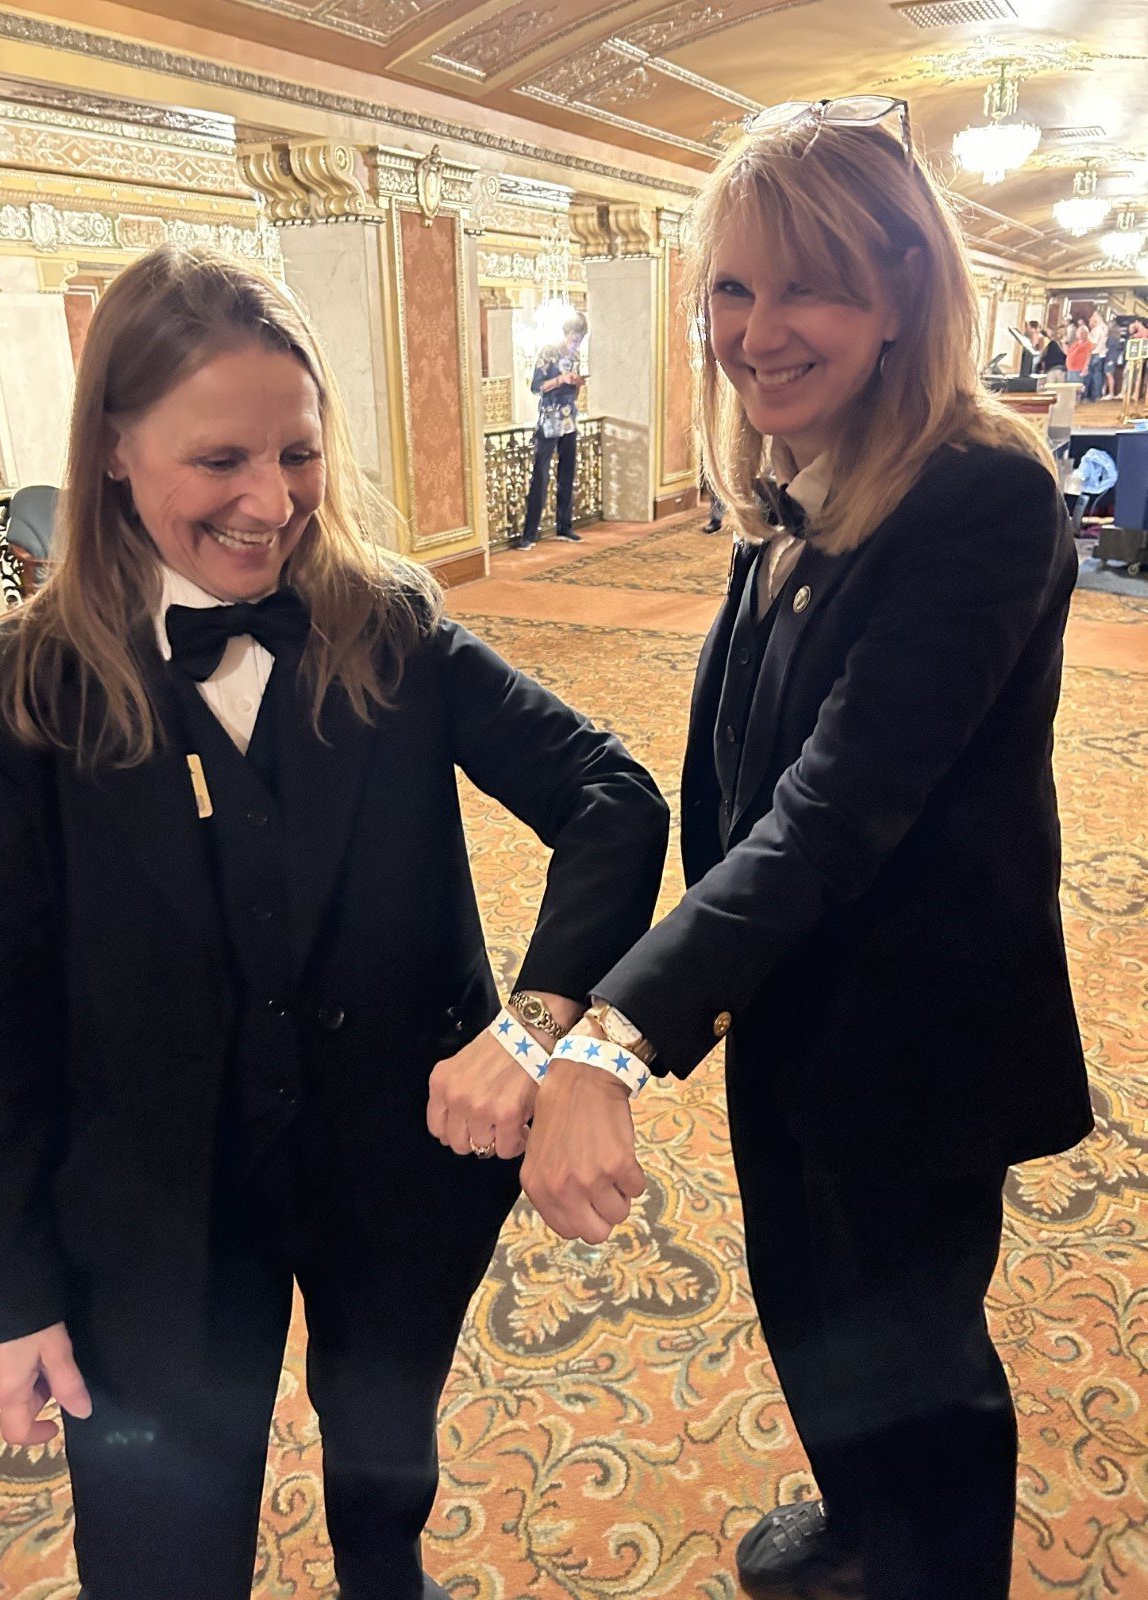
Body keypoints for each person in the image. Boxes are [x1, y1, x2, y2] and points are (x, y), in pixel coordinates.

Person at [0, 246, 669, 1600]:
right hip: (152, 1201)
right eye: (219, 459)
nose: (270, 501)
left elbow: (614, 797)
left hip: (397, 1165)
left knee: (384, 1461)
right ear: (112, 449)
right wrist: (13, 1295)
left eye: (299, 452)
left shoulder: (389, 625)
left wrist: (537, 1024)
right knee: (163, 1539)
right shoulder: (20, 690)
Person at [518, 96, 1092, 1600]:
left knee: (917, 1359)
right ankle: (856, 1530)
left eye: (809, 285)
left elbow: (833, 807)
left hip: (921, 1037)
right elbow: (731, 782)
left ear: (903, 292)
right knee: (809, 1305)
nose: (758, 330)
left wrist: (619, 1035)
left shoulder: (987, 492)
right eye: (732, 286)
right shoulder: (792, 479)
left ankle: (932, 1570)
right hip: (785, 1002)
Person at [514, 311, 588, 549]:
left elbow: (573, 390)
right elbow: (536, 387)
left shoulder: (575, 356)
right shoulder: (549, 352)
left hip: (569, 421)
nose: (577, 342)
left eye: (580, 338)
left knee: (567, 474)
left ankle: (564, 526)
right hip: (549, 420)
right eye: (575, 337)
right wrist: (560, 380)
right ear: (567, 333)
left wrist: (576, 383)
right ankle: (530, 533)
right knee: (541, 475)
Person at [1086, 308, 1108, 400]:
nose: (1091, 319)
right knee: (1097, 375)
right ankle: (1097, 395)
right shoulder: (1104, 327)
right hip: (1100, 354)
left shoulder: (1097, 329)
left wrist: (1087, 336)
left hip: (1095, 354)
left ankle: (1095, 395)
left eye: (1093, 317)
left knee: (1094, 376)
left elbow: (1094, 343)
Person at [1065, 318, 1092, 386]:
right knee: (1070, 389)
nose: (1080, 333)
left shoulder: (1087, 344)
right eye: (1079, 331)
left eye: (1082, 331)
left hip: (1078, 369)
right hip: (1070, 369)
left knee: (1076, 389)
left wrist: (1085, 368)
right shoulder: (1076, 343)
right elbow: (1068, 352)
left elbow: (1088, 356)